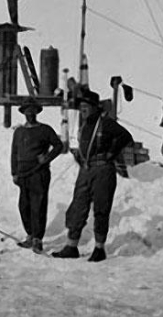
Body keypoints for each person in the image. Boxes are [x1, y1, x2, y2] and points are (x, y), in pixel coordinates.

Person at [52, 90, 133, 262]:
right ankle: (71, 246)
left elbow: (125, 137)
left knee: (101, 208)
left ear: (95, 108)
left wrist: (111, 153)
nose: (82, 109)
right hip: (86, 170)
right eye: (81, 107)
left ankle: (99, 248)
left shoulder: (106, 123)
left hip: (103, 170)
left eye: (86, 106)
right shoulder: (84, 126)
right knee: (78, 205)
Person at [11, 97, 64, 254]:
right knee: (24, 205)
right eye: (27, 111)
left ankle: (37, 239)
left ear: (37, 112)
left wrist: (47, 158)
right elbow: (14, 153)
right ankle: (30, 235)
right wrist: (14, 172)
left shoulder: (45, 130)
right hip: (23, 174)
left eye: (32, 111)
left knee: (38, 205)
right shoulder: (19, 131)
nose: (30, 114)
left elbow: (59, 145)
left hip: (39, 173)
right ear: (23, 113)